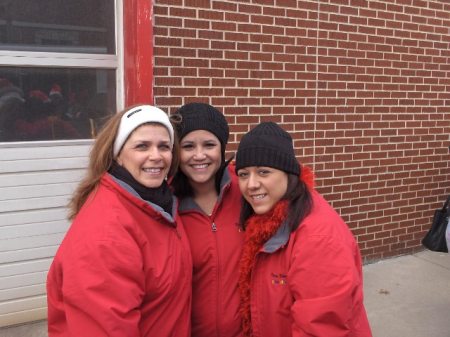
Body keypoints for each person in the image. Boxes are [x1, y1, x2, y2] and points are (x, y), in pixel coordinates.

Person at [46, 105, 192, 337]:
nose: (156, 155)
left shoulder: (158, 203)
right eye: (142, 146)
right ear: (117, 154)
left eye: (164, 146)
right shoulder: (106, 232)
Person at [234, 122, 373, 337]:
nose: (251, 184)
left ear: (289, 174)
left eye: (263, 172)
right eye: (243, 174)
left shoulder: (318, 238)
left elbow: (322, 328)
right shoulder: (265, 221)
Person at [171, 102, 244, 337]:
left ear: (221, 149)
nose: (199, 155)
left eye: (209, 145)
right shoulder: (164, 203)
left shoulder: (248, 190)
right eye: (188, 146)